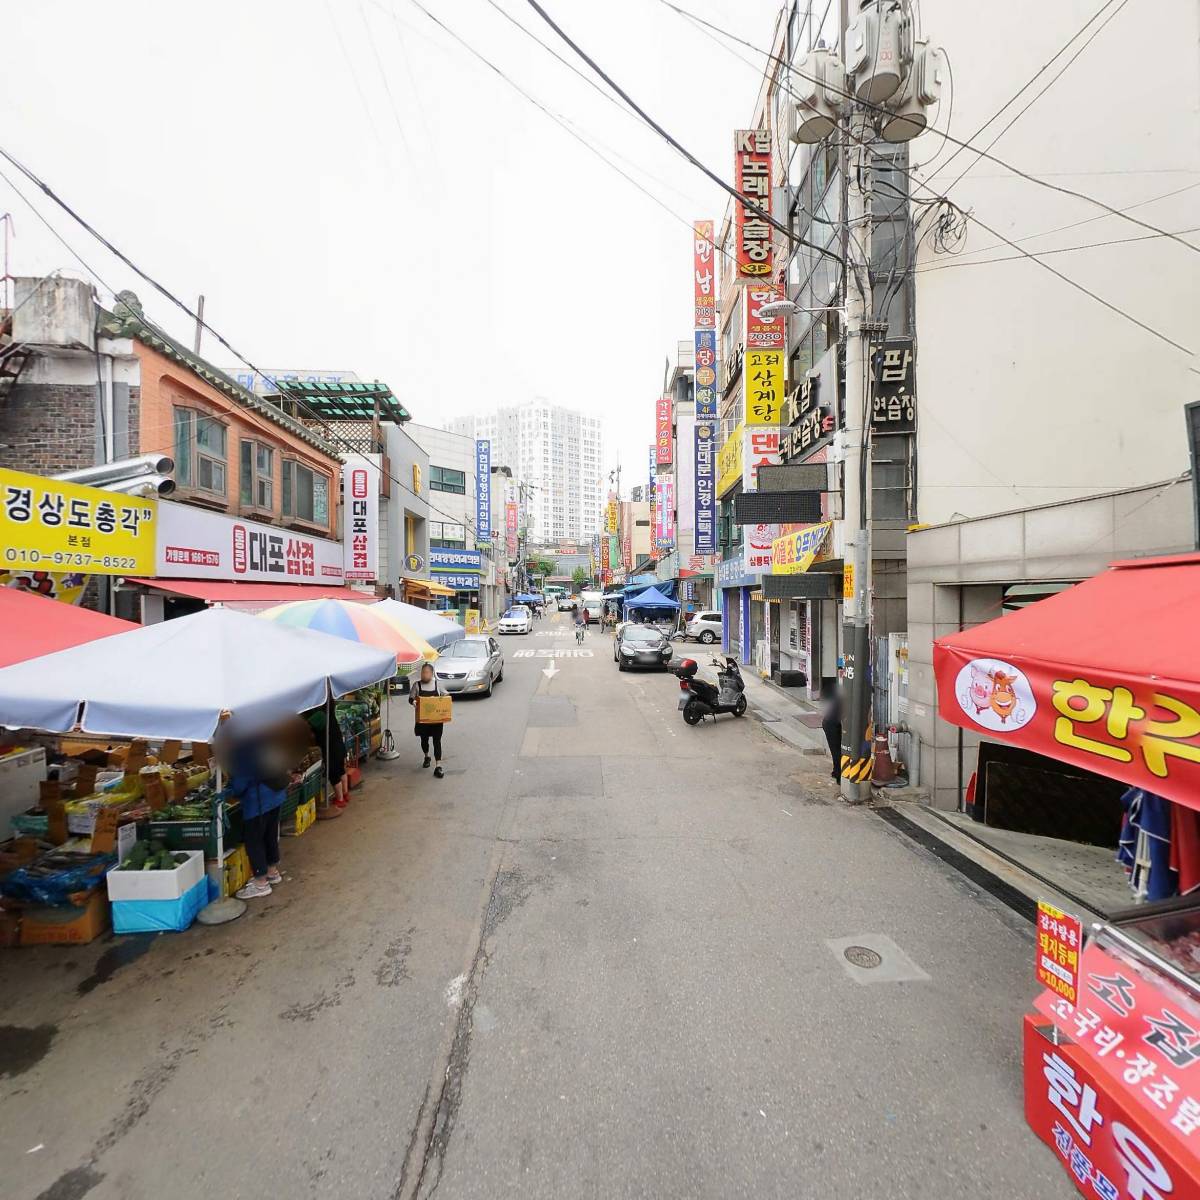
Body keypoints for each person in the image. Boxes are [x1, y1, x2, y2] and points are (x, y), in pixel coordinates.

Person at [227, 733, 288, 899]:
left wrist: (229, 790)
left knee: (254, 840)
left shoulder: (241, 748)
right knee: (270, 834)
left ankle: (261, 883)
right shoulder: (265, 737)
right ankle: (273, 872)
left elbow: (241, 782)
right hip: (276, 794)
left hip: (259, 801)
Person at [305, 697, 348, 808]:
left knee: (334, 775)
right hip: (339, 746)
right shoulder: (330, 712)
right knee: (341, 770)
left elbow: (306, 726)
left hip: (331, 749)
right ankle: (345, 794)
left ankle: (340, 800)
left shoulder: (320, 715)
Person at [409, 661, 447, 778]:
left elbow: (446, 695)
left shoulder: (437, 685)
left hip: (436, 721)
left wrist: (444, 699)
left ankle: (438, 766)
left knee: (437, 741)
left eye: (426, 672)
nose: (424, 675)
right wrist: (414, 702)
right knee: (424, 740)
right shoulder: (417, 685)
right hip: (422, 720)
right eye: (423, 672)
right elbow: (411, 698)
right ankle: (426, 756)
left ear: (431, 673)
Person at [821, 683, 843, 783]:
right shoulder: (848, 701)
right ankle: (839, 776)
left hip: (832, 723)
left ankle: (836, 772)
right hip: (831, 725)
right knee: (837, 751)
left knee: (836, 750)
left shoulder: (843, 697)